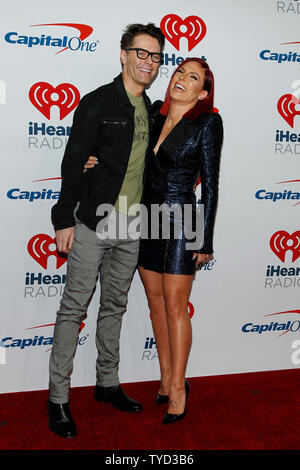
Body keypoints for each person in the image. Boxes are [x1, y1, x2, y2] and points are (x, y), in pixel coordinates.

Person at [85, 58, 223, 424]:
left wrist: (205, 239)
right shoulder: (152, 117)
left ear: (203, 92)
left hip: (183, 220)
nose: (182, 78)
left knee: (177, 308)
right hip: (148, 218)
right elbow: (126, 158)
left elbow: (210, 183)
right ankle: (164, 378)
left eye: (193, 77)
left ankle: (178, 387)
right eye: (180, 72)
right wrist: (93, 160)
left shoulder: (207, 122)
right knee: (156, 304)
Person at [48, 23, 165, 438]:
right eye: (141, 53)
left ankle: (107, 382)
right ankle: (58, 399)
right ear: (123, 54)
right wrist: (63, 219)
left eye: (155, 56)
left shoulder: (152, 110)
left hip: (131, 226)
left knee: (114, 306)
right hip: (93, 222)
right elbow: (72, 161)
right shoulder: (97, 103)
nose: (148, 62)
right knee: (73, 309)